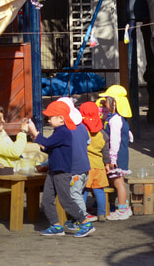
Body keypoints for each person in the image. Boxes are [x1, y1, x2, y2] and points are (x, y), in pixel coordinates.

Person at [27, 101, 95, 238]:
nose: (49, 120)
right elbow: (48, 147)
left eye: (51, 118)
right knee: (46, 200)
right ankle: (56, 226)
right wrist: (36, 138)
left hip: (62, 172)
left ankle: (85, 222)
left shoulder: (64, 132)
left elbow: (46, 143)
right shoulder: (59, 131)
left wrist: (35, 132)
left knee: (66, 200)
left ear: (61, 119)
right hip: (54, 170)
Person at [98, 85, 133, 221]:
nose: (104, 102)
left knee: (118, 182)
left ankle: (123, 208)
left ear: (114, 102)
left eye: (106, 100)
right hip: (119, 154)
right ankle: (117, 206)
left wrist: (112, 159)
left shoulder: (115, 120)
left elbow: (115, 140)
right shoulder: (116, 118)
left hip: (117, 156)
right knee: (113, 181)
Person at [58, 97, 91, 230]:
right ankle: (76, 219)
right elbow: (88, 142)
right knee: (78, 193)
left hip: (75, 169)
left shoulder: (66, 131)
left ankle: (82, 220)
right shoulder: (82, 127)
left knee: (74, 194)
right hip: (85, 167)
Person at [79, 101, 110, 222]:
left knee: (84, 191)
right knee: (99, 191)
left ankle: (82, 213)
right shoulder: (103, 134)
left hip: (85, 166)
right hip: (99, 166)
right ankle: (102, 214)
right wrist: (107, 164)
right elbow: (106, 152)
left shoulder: (82, 132)